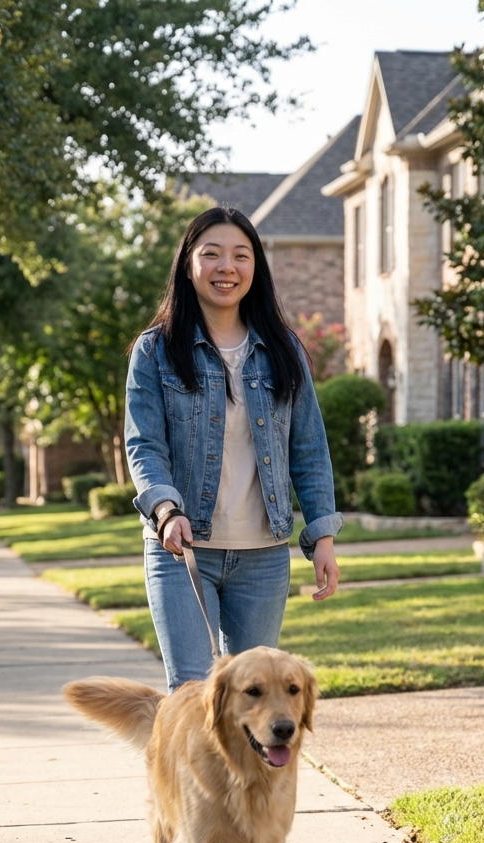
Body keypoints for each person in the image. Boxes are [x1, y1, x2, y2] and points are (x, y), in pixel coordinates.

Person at [124, 205, 342, 692]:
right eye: (212, 254)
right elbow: (143, 443)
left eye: (241, 256)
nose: (228, 267)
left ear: (255, 267)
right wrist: (164, 508)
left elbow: (308, 447)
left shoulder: (282, 348)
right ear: (188, 264)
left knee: (255, 704)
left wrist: (322, 534)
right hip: (182, 551)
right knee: (193, 696)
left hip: (263, 556)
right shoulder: (155, 350)